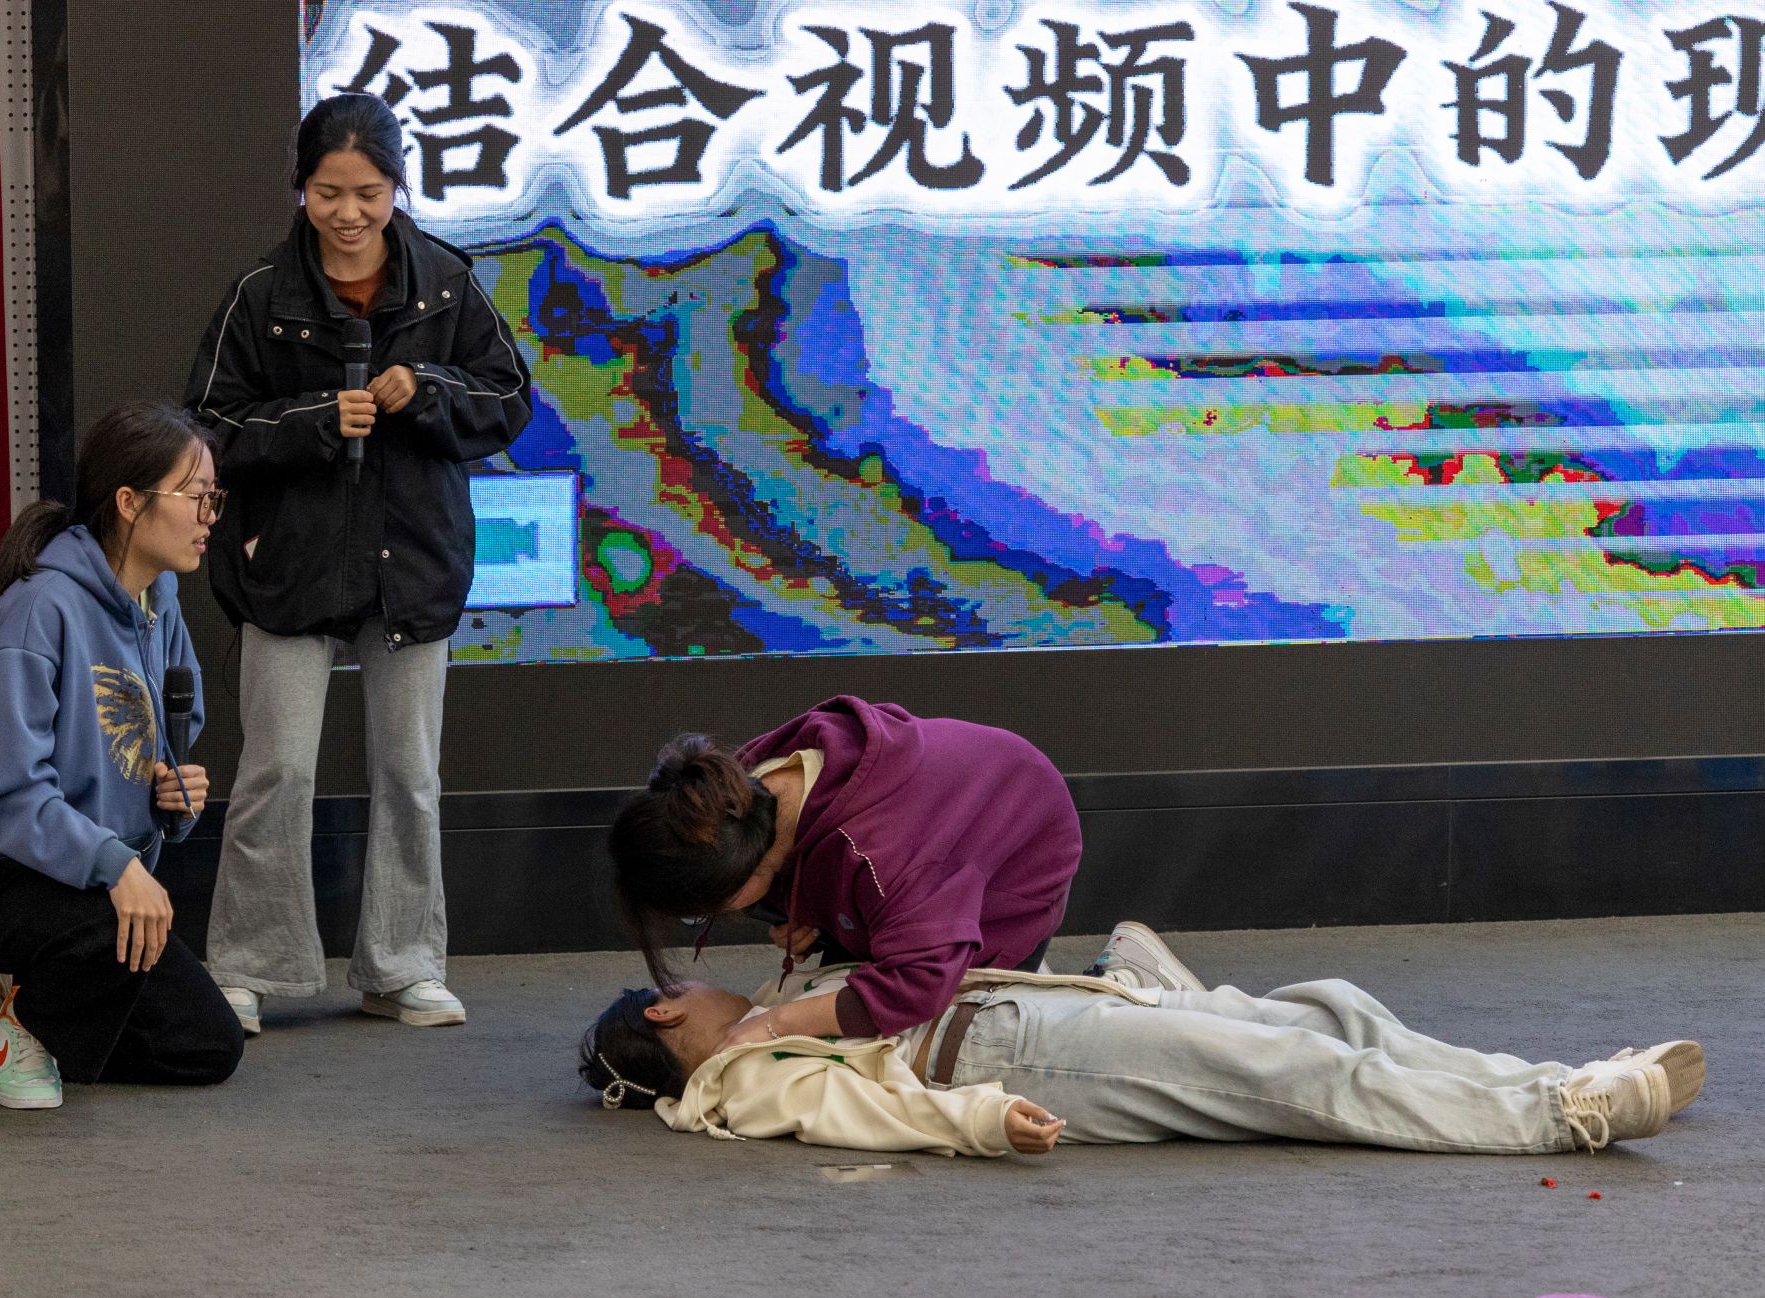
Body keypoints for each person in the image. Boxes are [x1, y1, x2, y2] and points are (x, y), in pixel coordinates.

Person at [184, 93, 532, 1036]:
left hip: (411, 562)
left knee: (410, 774)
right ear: (300, 187)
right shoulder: (261, 294)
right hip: (288, 567)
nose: (348, 213)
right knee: (276, 771)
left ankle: (404, 965)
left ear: (396, 188)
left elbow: (509, 400)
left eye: (368, 193)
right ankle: (249, 966)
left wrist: (430, 389)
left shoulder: (447, 284)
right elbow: (205, 429)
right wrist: (310, 420)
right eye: (328, 192)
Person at [578, 922, 1705, 1157]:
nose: (704, 977)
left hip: (1035, 1015)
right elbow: (862, 1108)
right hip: (1003, 1057)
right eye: (684, 981)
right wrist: (982, 1120)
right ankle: (1563, 1114)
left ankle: (1555, 1076)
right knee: (1294, 1072)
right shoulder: (741, 1081)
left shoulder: (771, 1013)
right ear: (667, 1013)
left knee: (1325, 1014)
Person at [0, 402, 243, 1110]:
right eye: (196, 496)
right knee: (114, 924)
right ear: (130, 503)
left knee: (207, 1045)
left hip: (77, 880)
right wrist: (118, 866)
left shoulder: (161, 605)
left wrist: (172, 799)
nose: (209, 516)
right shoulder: (39, 609)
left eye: (214, 498)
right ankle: (20, 1020)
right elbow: (7, 793)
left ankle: (23, 992)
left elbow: (152, 754)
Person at [610, 696, 1082, 1053]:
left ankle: (1088, 985)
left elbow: (917, 986)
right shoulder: (728, 791)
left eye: (704, 912)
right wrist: (810, 911)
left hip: (1015, 873)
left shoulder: (884, 859)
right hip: (929, 848)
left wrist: (775, 1024)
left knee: (930, 1038)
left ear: (743, 874)